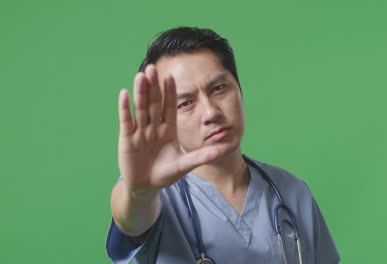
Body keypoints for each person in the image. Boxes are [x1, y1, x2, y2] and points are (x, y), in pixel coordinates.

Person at [106, 26, 340, 264]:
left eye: (218, 89)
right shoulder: (154, 192)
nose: (210, 112)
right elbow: (130, 218)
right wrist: (139, 193)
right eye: (185, 103)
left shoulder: (292, 192)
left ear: (240, 90)